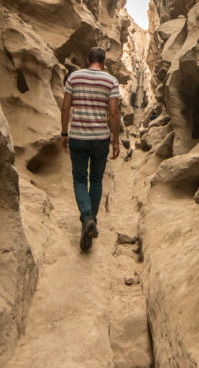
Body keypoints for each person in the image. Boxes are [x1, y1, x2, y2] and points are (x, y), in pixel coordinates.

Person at [61, 46, 121, 251]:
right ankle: (91, 219)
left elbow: (66, 106)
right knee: (96, 179)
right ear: (103, 62)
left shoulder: (74, 77)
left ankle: (86, 217)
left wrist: (64, 133)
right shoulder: (111, 81)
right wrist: (116, 140)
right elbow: (113, 114)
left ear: (88, 59)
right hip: (100, 139)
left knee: (79, 178)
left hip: (77, 136)